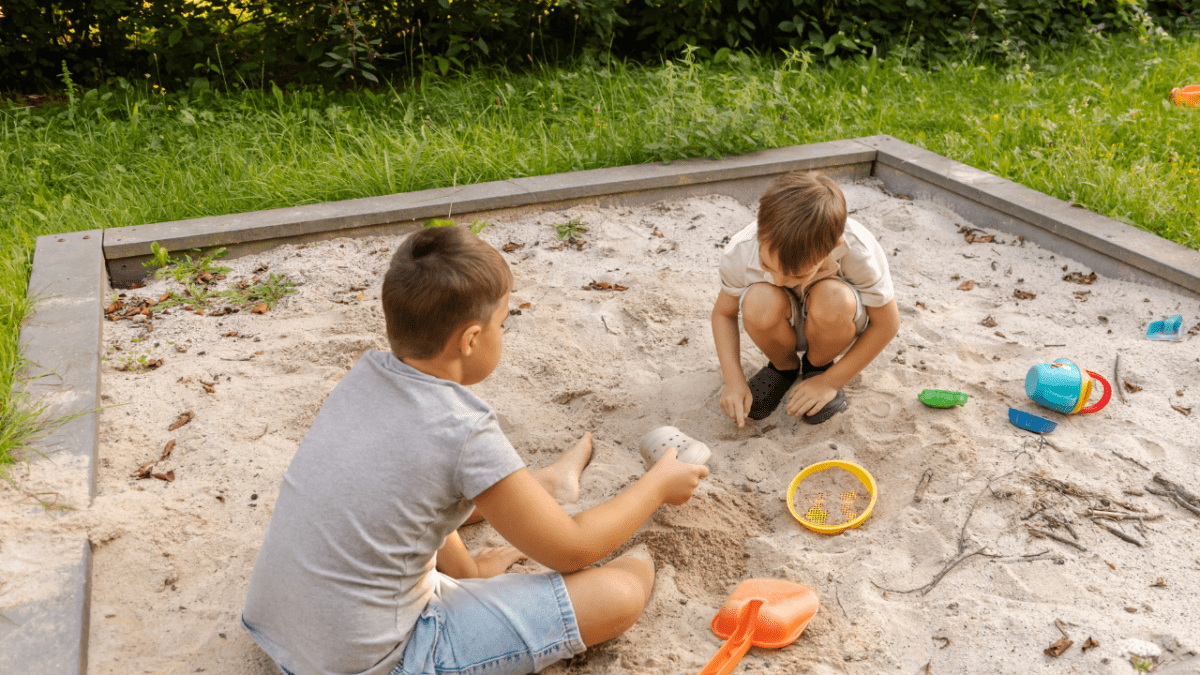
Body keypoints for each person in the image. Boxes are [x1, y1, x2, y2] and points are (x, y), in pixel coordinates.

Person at [242, 225, 709, 675]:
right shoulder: (462, 428)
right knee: (620, 592)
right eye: (502, 324)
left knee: (413, 501)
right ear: (470, 339)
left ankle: (542, 487)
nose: (503, 334)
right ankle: (554, 501)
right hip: (376, 662)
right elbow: (573, 548)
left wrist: (469, 571)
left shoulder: (363, 378)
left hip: (280, 631)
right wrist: (657, 486)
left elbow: (403, 494)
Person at [711, 171, 899, 427]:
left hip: (831, 324)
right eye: (767, 265)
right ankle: (783, 368)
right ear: (760, 231)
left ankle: (818, 367)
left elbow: (886, 324)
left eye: (796, 274)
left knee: (834, 299)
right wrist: (734, 380)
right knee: (759, 299)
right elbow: (723, 313)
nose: (777, 279)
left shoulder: (858, 251)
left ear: (834, 246)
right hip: (777, 324)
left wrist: (830, 382)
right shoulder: (741, 250)